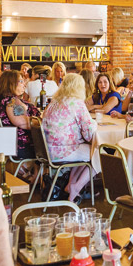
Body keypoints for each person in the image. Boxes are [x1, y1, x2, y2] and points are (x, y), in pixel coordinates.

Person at [42, 73, 98, 202]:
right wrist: (95, 123)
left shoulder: (54, 102)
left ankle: (70, 185)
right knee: (100, 153)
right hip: (63, 151)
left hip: (47, 150)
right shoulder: (76, 103)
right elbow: (90, 133)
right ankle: (76, 188)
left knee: (86, 150)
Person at [0, 70, 40, 158]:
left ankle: (35, 171)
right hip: (20, 145)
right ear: (11, 83)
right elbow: (21, 122)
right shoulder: (12, 102)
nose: (24, 84)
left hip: (4, 142)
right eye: (21, 81)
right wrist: (42, 122)